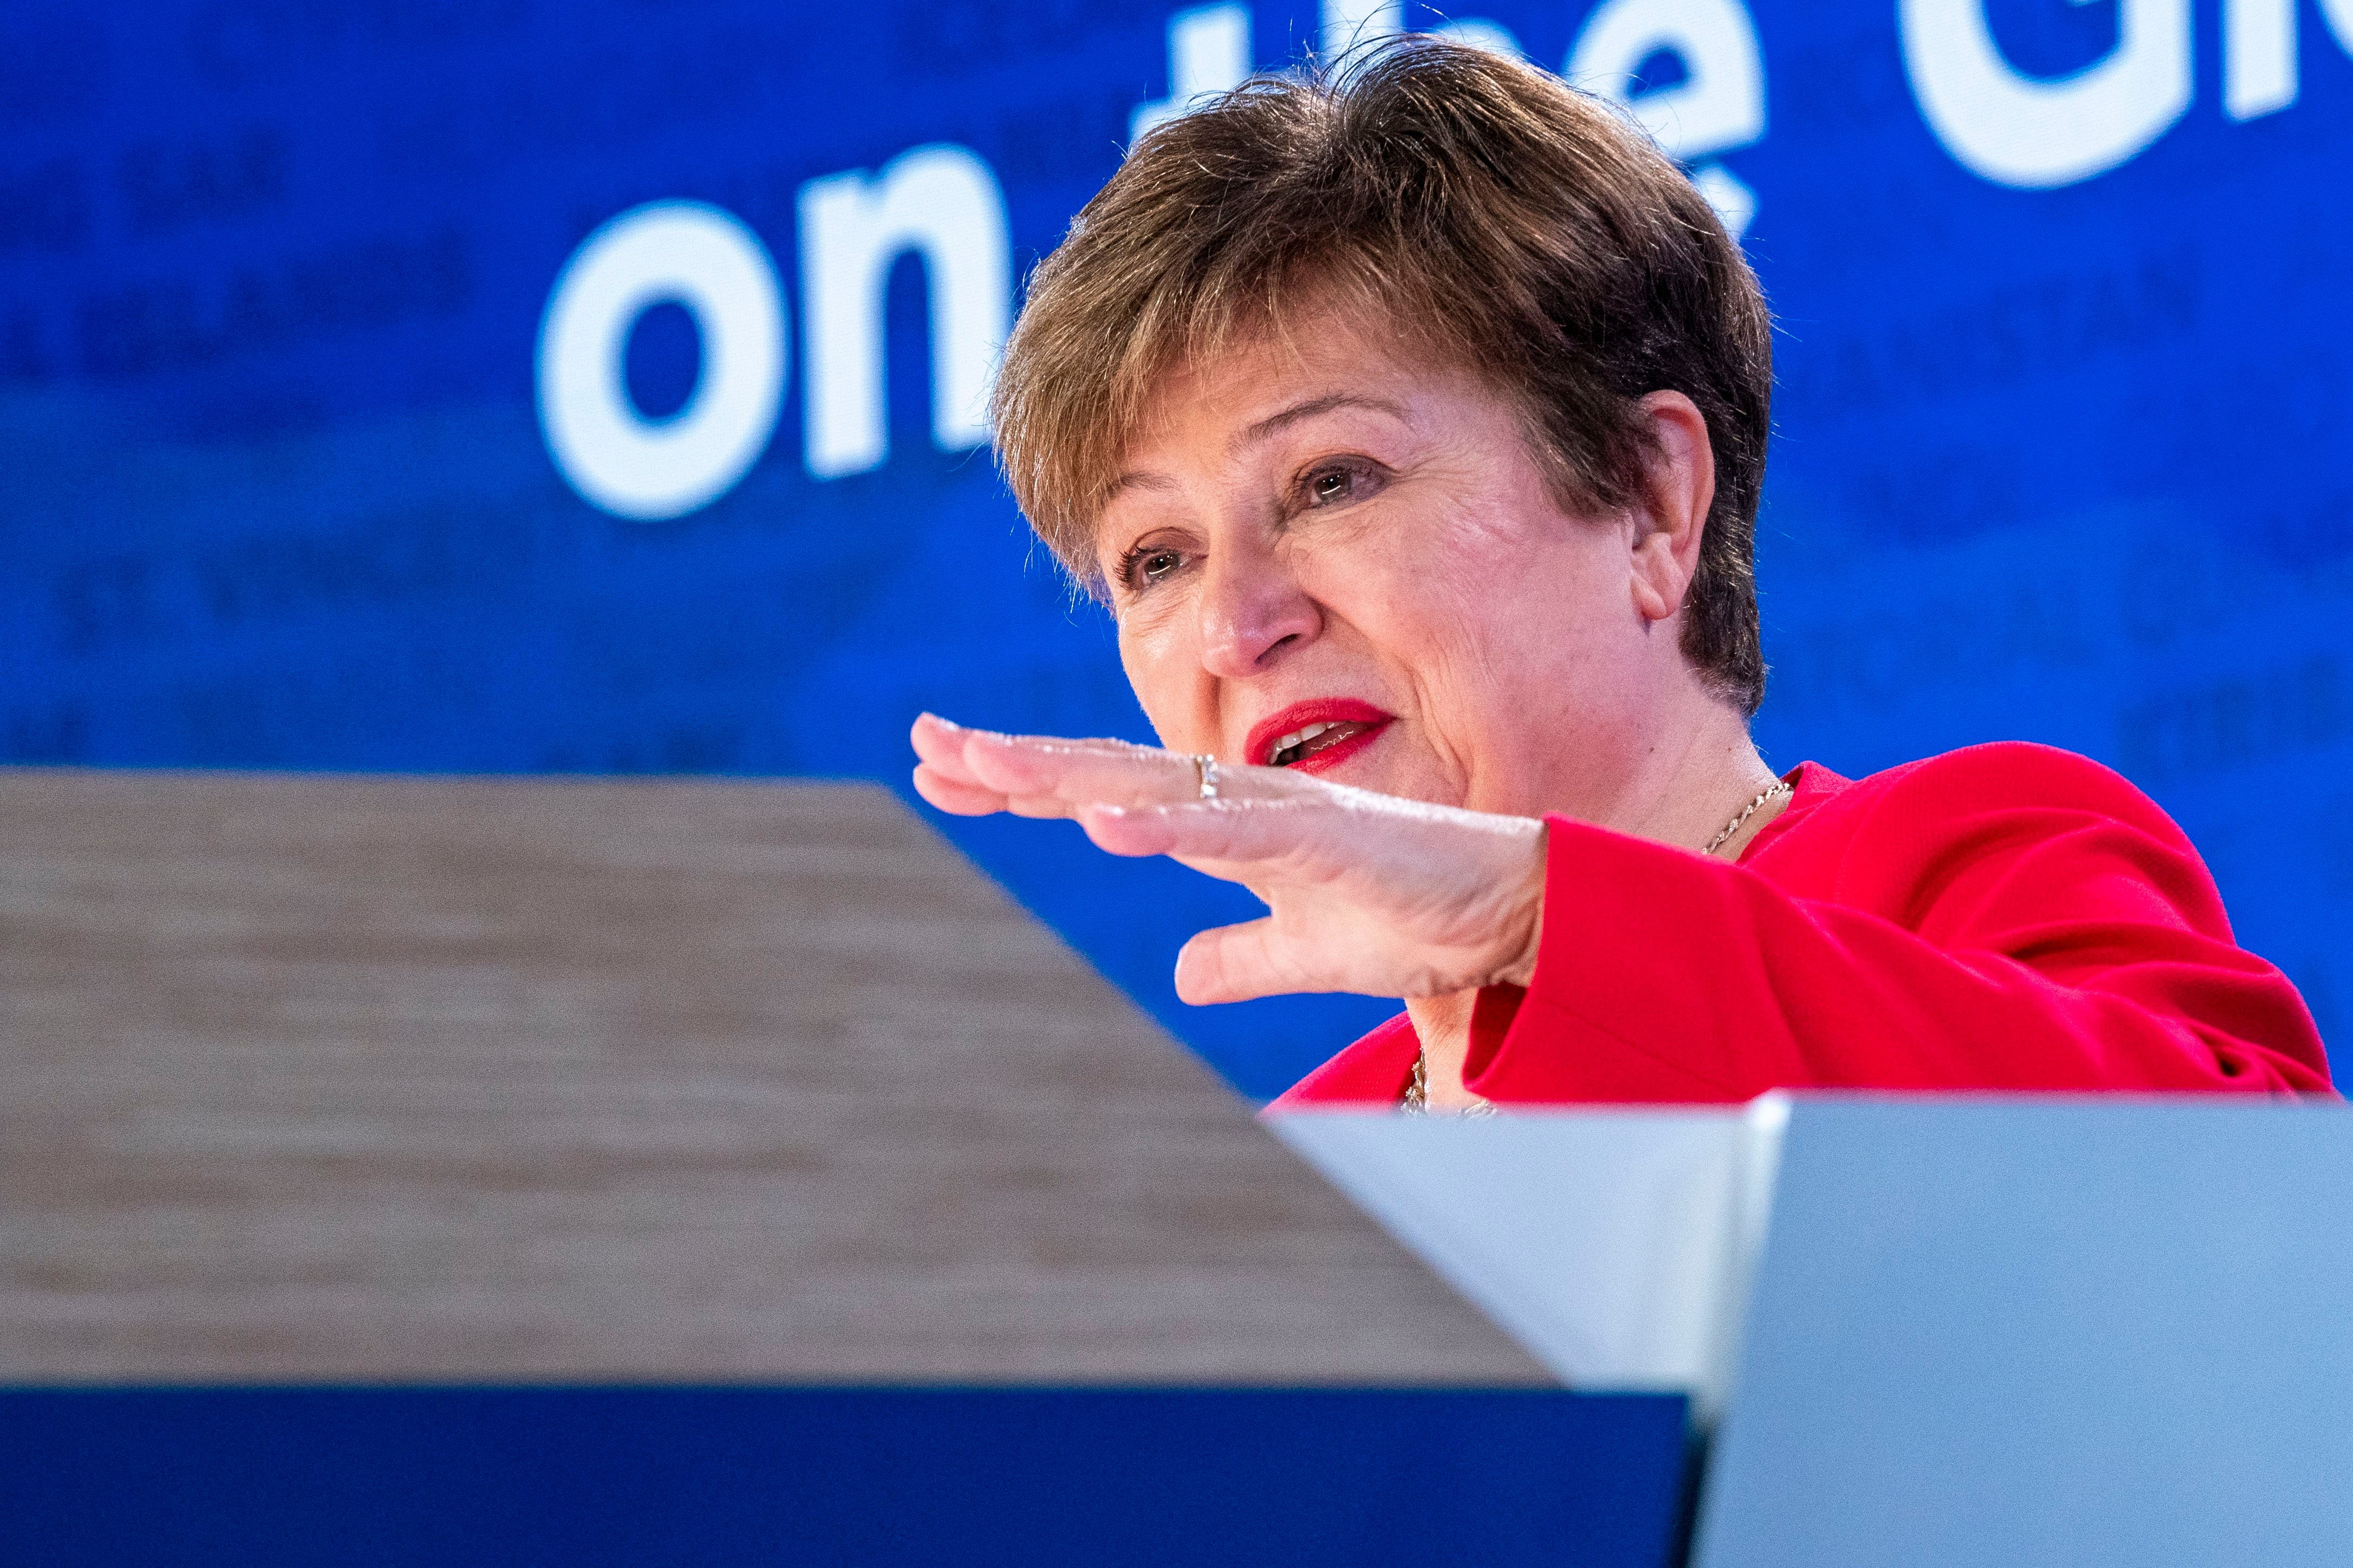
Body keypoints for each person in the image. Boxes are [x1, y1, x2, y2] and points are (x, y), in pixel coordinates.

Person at [909, 40, 2332, 1110]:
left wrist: (1542, 921)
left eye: (1333, 481)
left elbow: (2259, 1228)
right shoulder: (1291, 1179)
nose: (1233, 624)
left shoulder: (1968, 864)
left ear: (1653, 501)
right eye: (1155, 558)